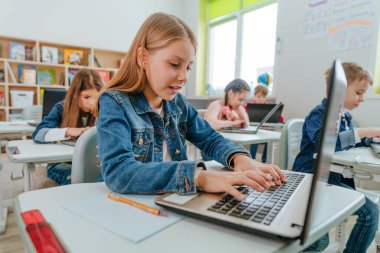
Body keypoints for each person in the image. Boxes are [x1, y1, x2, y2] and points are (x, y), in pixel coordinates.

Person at [95, 12, 286, 200]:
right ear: (143, 58)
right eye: (174, 64)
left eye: (188, 67)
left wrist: (239, 158)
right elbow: (119, 172)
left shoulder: (178, 104)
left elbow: (209, 138)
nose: (184, 77)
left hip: (176, 200)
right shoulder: (114, 102)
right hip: (131, 209)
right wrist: (198, 177)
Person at [293, 62, 379, 253]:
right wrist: (364, 130)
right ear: (337, 90)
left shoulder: (345, 117)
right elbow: (326, 143)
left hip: (331, 180)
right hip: (311, 180)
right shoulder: (319, 114)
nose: (362, 99)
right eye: (358, 92)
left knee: (370, 213)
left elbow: (349, 142)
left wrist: (369, 139)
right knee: (318, 243)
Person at [32, 69, 103, 185]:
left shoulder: (102, 109)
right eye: (86, 97)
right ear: (75, 94)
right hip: (60, 162)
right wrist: (68, 131)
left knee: (105, 180)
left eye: (96, 97)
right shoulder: (60, 107)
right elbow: (38, 134)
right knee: (76, 180)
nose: (92, 103)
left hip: (90, 161)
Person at [250, 84, 269, 162]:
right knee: (254, 143)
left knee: (267, 143)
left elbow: (279, 118)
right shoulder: (250, 107)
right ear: (254, 96)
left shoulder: (268, 108)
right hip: (254, 133)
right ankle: (252, 160)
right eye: (259, 96)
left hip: (265, 133)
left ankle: (264, 161)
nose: (261, 99)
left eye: (264, 97)